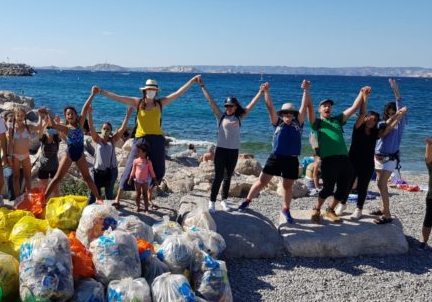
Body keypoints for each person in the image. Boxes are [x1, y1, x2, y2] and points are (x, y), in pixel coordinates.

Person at [96, 75, 200, 209]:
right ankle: (118, 198)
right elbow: (119, 97)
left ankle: (149, 196)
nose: (151, 91)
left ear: (156, 92)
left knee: (159, 171)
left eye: (153, 90)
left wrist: (192, 81)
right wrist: (102, 91)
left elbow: (177, 93)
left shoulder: (160, 103)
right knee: (129, 167)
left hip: (157, 140)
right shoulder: (137, 103)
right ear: (144, 91)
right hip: (141, 139)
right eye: (149, 89)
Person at [237, 81, 310, 222]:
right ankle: (247, 201)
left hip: (291, 159)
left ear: (294, 115)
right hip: (275, 158)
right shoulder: (277, 123)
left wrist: (306, 90)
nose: (288, 115)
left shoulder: (298, 123)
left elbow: (304, 106)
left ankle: (286, 209)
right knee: (262, 182)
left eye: (291, 113)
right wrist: (266, 92)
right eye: (285, 113)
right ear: (282, 115)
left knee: (287, 186)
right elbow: (270, 107)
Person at [198, 77, 264, 212]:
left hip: (233, 152)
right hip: (221, 151)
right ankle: (212, 201)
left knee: (228, 177)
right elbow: (210, 101)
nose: (228, 108)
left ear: (235, 107)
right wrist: (203, 86)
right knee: (218, 177)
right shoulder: (220, 116)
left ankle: (224, 200)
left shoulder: (239, 117)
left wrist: (261, 92)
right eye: (226, 106)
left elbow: (251, 104)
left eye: (230, 106)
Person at [307, 86, 368, 224]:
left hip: (344, 160)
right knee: (328, 189)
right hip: (329, 160)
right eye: (324, 106)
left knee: (345, 188)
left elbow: (353, 107)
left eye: (329, 106)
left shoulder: (337, 120)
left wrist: (361, 93)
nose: (327, 108)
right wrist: (307, 91)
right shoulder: (317, 123)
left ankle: (330, 210)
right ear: (320, 110)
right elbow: (309, 110)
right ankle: (316, 209)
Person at [335, 88, 382, 220]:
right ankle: (342, 204)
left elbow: (388, 127)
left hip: (367, 163)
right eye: (369, 118)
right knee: (347, 183)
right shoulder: (358, 129)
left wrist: (397, 116)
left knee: (363, 185)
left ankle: (359, 209)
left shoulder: (375, 134)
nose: (371, 121)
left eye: (374, 120)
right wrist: (364, 97)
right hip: (353, 160)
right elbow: (361, 114)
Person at [43, 94, 101, 200]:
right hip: (69, 154)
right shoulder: (66, 128)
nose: (70, 115)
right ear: (66, 117)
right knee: (57, 178)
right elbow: (54, 126)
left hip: (80, 155)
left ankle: (98, 198)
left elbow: (85, 107)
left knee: (87, 178)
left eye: (72, 113)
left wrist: (93, 94)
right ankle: (44, 199)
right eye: (68, 114)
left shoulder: (81, 124)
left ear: (76, 115)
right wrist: (47, 115)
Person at [372, 79, 409, 224]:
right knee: (380, 184)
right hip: (377, 156)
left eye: (393, 112)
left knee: (381, 184)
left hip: (390, 158)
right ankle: (383, 208)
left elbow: (400, 101)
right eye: (389, 113)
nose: (391, 115)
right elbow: (381, 133)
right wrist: (395, 116)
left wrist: (395, 88)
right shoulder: (382, 124)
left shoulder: (401, 124)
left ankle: (387, 215)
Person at [86, 100, 133, 204]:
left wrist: (128, 116)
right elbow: (91, 127)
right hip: (97, 173)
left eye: (108, 129)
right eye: (104, 128)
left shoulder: (113, 140)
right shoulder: (96, 139)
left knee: (109, 196)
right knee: (93, 196)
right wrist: (90, 114)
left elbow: (122, 128)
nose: (105, 130)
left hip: (111, 172)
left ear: (111, 131)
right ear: (101, 129)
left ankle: (108, 215)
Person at [7, 105, 41, 198]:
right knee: (16, 177)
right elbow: (10, 142)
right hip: (16, 156)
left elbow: (38, 127)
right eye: (18, 115)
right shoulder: (12, 129)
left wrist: (40, 116)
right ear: (15, 116)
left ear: (24, 117)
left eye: (22, 116)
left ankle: (28, 196)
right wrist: (9, 156)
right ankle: (17, 198)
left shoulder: (28, 127)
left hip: (26, 155)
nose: (20, 118)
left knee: (28, 177)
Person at [128, 142, 157, 212]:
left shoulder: (148, 162)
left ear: (145, 152)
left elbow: (151, 171)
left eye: (139, 151)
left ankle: (146, 208)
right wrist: (130, 178)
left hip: (145, 181)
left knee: (145, 194)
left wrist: (155, 179)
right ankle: (138, 207)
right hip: (137, 181)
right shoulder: (135, 161)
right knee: (138, 194)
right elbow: (133, 170)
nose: (137, 153)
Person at [37, 113, 61, 197]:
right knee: (43, 189)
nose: (49, 132)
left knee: (55, 188)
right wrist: (45, 123)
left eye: (51, 129)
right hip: (43, 165)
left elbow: (61, 131)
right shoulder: (43, 137)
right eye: (48, 130)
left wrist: (57, 123)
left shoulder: (56, 137)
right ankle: (43, 205)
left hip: (54, 165)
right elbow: (40, 132)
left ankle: (57, 205)